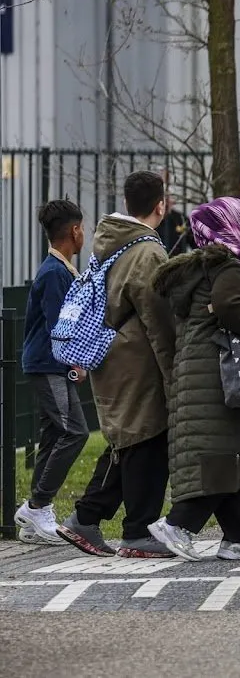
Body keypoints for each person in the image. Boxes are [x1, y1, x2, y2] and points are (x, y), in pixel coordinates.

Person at [146, 197, 240, 562]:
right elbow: (229, 306)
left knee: (239, 453)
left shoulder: (200, 269)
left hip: (201, 371)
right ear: (229, 226)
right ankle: (177, 526)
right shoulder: (229, 267)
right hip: (219, 375)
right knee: (224, 455)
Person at [57, 170, 177, 559]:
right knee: (147, 439)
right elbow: (158, 321)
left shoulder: (110, 244)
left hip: (111, 354)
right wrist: (174, 372)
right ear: (161, 205)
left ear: (127, 203)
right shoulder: (149, 252)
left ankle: (87, 517)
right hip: (137, 359)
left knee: (127, 440)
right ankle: (138, 531)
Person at [15, 200, 90, 545]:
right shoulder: (55, 273)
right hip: (50, 365)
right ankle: (37, 505)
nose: (84, 235)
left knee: (53, 434)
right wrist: (76, 363)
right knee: (74, 432)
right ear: (74, 231)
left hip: (49, 364)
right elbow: (59, 325)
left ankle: (33, 520)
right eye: (83, 228)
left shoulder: (59, 270)